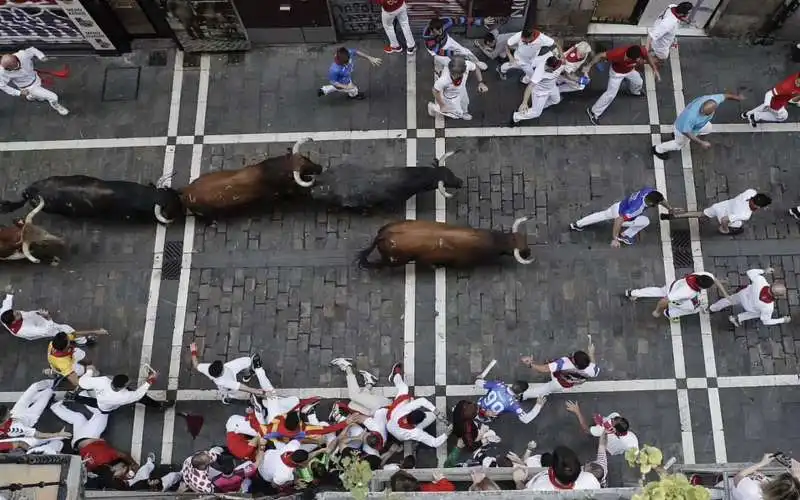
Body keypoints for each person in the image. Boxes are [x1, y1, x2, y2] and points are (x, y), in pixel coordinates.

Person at [652, 91, 745, 159]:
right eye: (701, 111)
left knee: (708, 128)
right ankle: (658, 149)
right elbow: (686, 132)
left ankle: (687, 136)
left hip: (696, 126)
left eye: (704, 113)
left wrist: (737, 98)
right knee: (678, 145)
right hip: (682, 129)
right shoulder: (691, 116)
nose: (701, 113)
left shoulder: (714, 99)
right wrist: (701, 143)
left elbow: (725, 96)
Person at [569, 188, 677, 247]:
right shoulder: (637, 208)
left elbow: (661, 200)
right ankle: (624, 235)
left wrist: (670, 208)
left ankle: (577, 224)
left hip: (618, 206)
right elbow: (619, 220)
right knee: (645, 221)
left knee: (600, 215)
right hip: (622, 216)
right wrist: (615, 238)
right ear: (651, 203)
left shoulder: (649, 191)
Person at [585, 45, 659, 124]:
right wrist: (589, 66)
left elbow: (647, 56)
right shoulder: (617, 54)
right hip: (616, 74)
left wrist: (655, 70)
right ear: (629, 58)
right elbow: (600, 55)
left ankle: (635, 92)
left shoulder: (640, 50)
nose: (639, 60)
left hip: (629, 71)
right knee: (610, 94)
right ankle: (593, 112)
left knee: (639, 82)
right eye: (637, 59)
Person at [385, 362, 450, 448]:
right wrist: (447, 431)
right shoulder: (416, 432)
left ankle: (395, 375)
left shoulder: (405, 411)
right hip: (398, 431)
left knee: (404, 389)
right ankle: (395, 375)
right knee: (432, 416)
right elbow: (434, 443)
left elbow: (422, 401)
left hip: (391, 424)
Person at [0, 292, 106, 344]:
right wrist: (48, 318)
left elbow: (6, 306)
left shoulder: (5, 315)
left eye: (15, 311)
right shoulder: (25, 330)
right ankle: (83, 341)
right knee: (67, 330)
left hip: (38, 319)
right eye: (17, 315)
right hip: (44, 327)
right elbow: (46, 331)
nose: (18, 312)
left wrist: (10, 295)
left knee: (65, 329)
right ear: (14, 321)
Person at [626, 271, 731, 321]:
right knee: (694, 308)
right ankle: (669, 313)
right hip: (676, 297)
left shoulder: (703, 275)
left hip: (673, 285)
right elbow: (664, 301)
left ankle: (633, 293)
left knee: (656, 291)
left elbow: (715, 280)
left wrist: (725, 293)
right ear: (701, 287)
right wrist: (657, 311)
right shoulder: (687, 292)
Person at [0, 380, 71, 453]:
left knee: (34, 386)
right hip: (30, 417)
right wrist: (58, 434)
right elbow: (38, 434)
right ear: (5, 419)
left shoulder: (10, 415)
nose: (9, 412)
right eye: (8, 413)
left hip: (17, 411)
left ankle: (57, 380)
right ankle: (50, 391)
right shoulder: (14, 429)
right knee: (48, 392)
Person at [662, 189, 771, 234]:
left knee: (701, 213)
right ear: (757, 206)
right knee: (738, 225)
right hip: (725, 217)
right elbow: (725, 219)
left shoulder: (750, 191)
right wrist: (724, 228)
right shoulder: (745, 214)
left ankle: (676, 215)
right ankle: (726, 230)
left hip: (719, 207)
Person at [709, 268, 791, 327]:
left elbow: (750, 272)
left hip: (743, 294)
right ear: (776, 296)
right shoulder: (768, 307)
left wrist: (764, 271)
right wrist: (783, 320)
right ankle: (737, 318)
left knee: (729, 300)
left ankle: (712, 308)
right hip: (749, 307)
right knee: (760, 313)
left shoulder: (761, 281)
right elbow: (766, 321)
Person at [71, 365, 172, 412]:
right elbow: (138, 394)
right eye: (127, 383)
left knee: (95, 402)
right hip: (108, 406)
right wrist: (150, 380)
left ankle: (75, 397)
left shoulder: (103, 380)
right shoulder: (123, 396)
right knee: (142, 398)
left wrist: (89, 371)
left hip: (103, 400)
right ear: (122, 387)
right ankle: (159, 406)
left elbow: (81, 382)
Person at [519, 341, 599, 400]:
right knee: (552, 369)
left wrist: (530, 364)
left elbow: (544, 369)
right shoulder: (592, 370)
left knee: (544, 390)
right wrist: (591, 353)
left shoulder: (564, 363)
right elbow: (594, 366)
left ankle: (523, 395)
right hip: (566, 383)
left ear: (575, 363)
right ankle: (550, 364)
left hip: (558, 382)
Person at [0, 47, 69, 115]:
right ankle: (56, 106)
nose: (11, 70)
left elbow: (32, 49)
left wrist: (41, 56)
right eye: (9, 69)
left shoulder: (23, 55)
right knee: (53, 97)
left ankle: (31, 96)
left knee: (39, 97)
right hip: (28, 87)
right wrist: (19, 93)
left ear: (16, 60)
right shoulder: (2, 72)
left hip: (36, 78)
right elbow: (2, 86)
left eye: (14, 67)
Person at [190, 344, 270, 402]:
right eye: (222, 367)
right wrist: (257, 391)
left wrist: (193, 351)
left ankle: (249, 373)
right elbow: (242, 387)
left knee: (247, 361)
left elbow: (196, 365)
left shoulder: (208, 368)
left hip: (230, 369)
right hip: (231, 386)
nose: (222, 365)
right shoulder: (224, 382)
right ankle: (227, 399)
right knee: (236, 395)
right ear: (220, 374)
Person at [565, 401, 639, 456]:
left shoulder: (602, 430)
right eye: (613, 419)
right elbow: (635, 452)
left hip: (609, 444)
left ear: (614, 429)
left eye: (612, 422)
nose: (610, 420)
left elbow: (586, 429)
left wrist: (577, 412)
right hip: (612, 447)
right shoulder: (632, 438)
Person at [422, 16, 492, 75]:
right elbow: (438, 51)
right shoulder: (428, 37)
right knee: (451, 64)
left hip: (446, 40)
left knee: (465, 51)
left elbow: (462, 20)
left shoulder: (446, 22)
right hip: (435, 50)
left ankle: (477, 64)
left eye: (441, 29)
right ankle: (440, 72)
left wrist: (481, 21)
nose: (440, 32)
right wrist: (452, 53)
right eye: (436, 31)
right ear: (431, 30)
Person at [428, 56, 488, 121]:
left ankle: (464, 113)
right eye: (453, 74)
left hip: (462, 90)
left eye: (457, 75)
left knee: (465, 102)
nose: (455, 77)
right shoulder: (444, 79)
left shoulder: (467, 64)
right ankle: (433, 107)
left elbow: (476, 67)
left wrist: (481, 82)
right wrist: (442, 105)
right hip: (450, 97)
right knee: (456, 114)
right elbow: (435, 90)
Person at [514, 445, 601, 490]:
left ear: (552, 469)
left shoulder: (539, 487)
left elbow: (524, 494)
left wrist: (519, 481)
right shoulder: (591, 480)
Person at [511, 55, 564, 125]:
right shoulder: (539, 72)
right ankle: (516, 116)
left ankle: (540, 106)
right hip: (540, 92)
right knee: (536, 113)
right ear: (547, 65)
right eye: (552, 69)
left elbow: (560, 51)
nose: (553, 71)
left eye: (555, 69)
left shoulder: (559, 63)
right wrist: (524, 102)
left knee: (556, 100)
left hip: (552, 87)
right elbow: (530, 87)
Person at [317, 47, 382, 100]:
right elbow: (333, 82)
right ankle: (353, 95)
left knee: (337, 88)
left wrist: (369, 58)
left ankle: (323, 90)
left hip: (346, 78)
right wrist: (347, 87)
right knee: (353, 89)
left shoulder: (347, 53)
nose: (348, 63)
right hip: (343, 83)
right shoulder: (334, 70)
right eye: (346, 63)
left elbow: (356, 52)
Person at [474, 378, 546, 424]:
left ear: (513, 384)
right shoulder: (514, 405)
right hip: (485, 418)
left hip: (476, 407)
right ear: (521, 393)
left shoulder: (498, 384)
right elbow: (526, 419)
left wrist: (479, 379)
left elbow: (478, 382)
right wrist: (538, 405)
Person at [390, 470, 456, 492]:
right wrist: (442, 479)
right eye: (409, 474)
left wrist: (433, 483)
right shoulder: (426, 489)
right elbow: (451, 488)